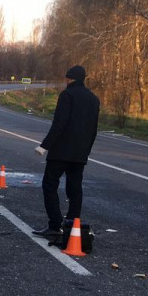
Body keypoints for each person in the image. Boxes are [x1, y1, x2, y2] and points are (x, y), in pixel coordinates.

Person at [32, 65, 100, 238]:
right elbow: (93, 129)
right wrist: (86, 151)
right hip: (80, 153)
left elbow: (59, 123)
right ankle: (71, 225)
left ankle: (55, 225)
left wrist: (44, 145)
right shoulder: (93, 99)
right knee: (75, 188)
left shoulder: (67, 95)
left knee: (50, 185)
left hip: (61, 151)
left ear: (69, 79)